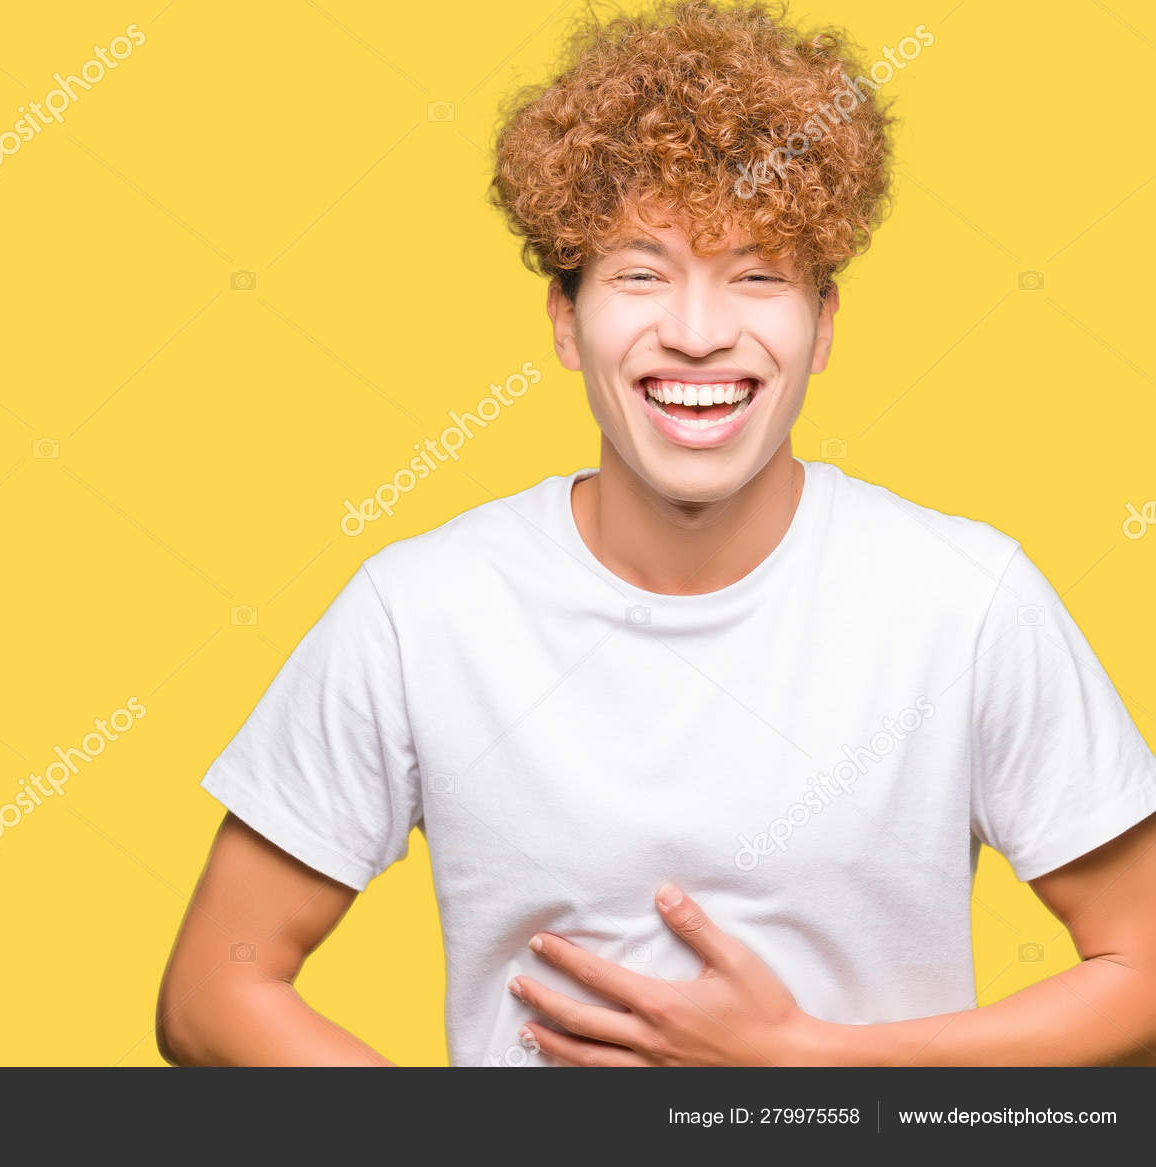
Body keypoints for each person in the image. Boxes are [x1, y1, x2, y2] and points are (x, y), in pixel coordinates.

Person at [156, 0, 1156, 1067]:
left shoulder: (964, 599)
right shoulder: (421, 611)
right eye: (640, 273)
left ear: (820, 325)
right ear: (563, 319)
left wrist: (803, 1063)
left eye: (758, 274)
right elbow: (214, 996)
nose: (694, 332)